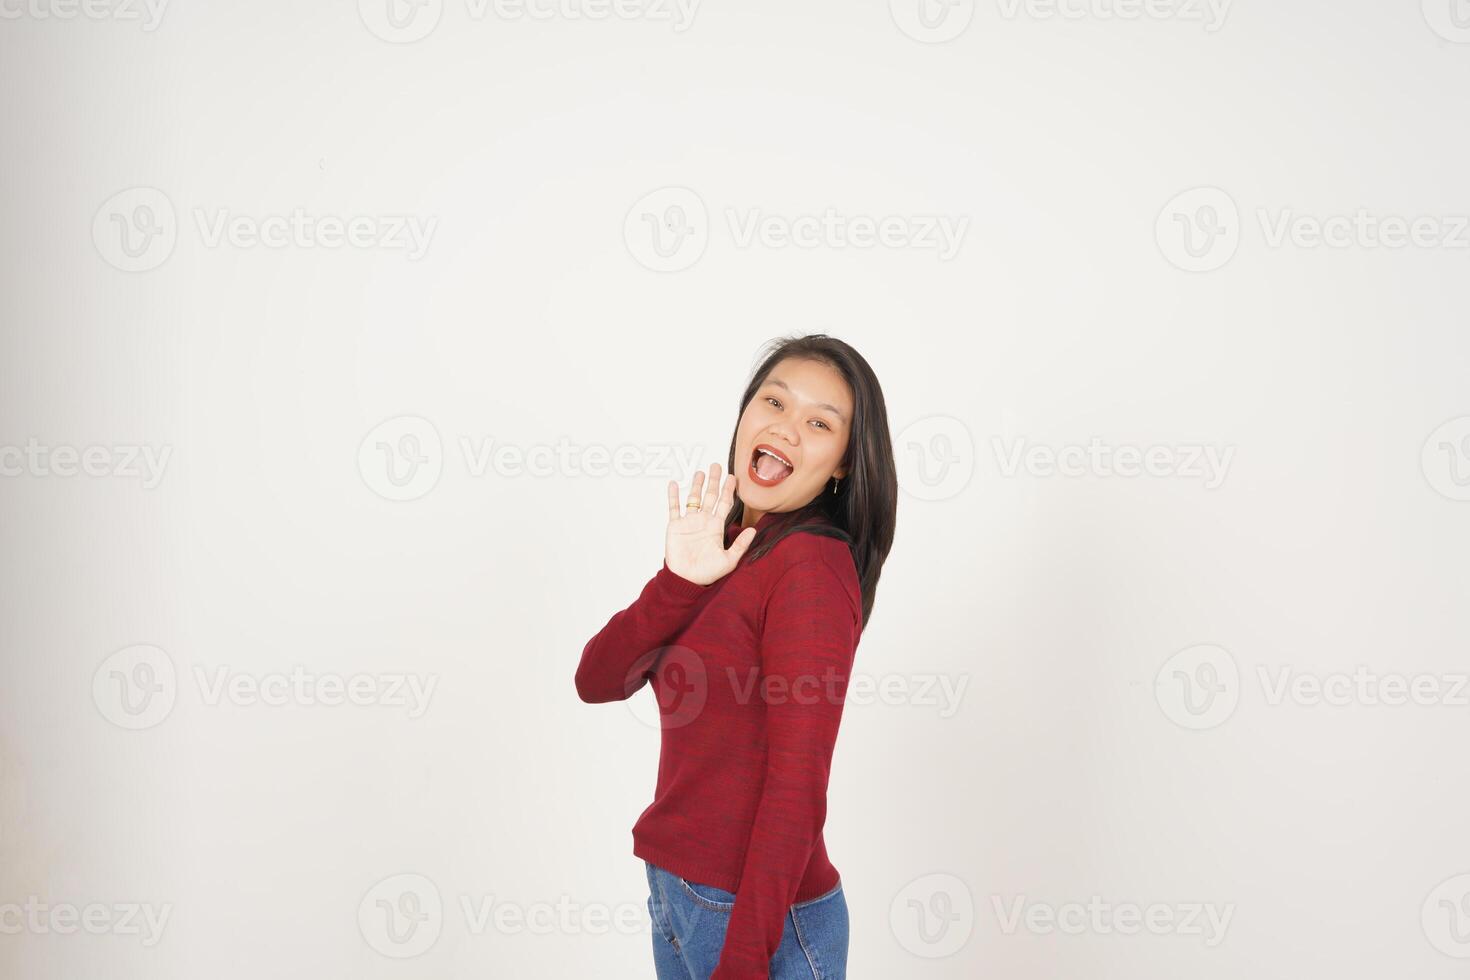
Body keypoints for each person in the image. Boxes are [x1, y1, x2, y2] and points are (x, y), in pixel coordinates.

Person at [575, 334, 897, 979]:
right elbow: (598, 679)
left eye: (818, 422)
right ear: (746, 413)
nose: (786, 429)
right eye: (773, 402)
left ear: (841, 464)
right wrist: (678, 583)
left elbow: (798, 784)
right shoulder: (723, 544)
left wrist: (745, 961)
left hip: (756, 921)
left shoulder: (809, 568)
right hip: (680, 893)